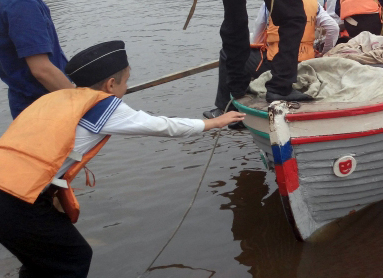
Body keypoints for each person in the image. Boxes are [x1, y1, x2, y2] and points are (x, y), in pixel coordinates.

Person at [0, 41, 243, 278]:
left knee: (43, 259)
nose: (126, 88)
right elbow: (162, 126)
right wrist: (213, 122)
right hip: (15, 197)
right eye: (126, 81)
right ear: (110, 84)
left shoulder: (56, 98)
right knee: (73, 258)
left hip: (14, 186)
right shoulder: (106, 108)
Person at [206, 0, 339, 121]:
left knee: (230, 53)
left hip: (275, 64)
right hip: (306, 61)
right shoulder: (312, 3)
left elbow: (257, 35)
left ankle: (225, 108)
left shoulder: (270, 3)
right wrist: (324, 53)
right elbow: (333, 28)